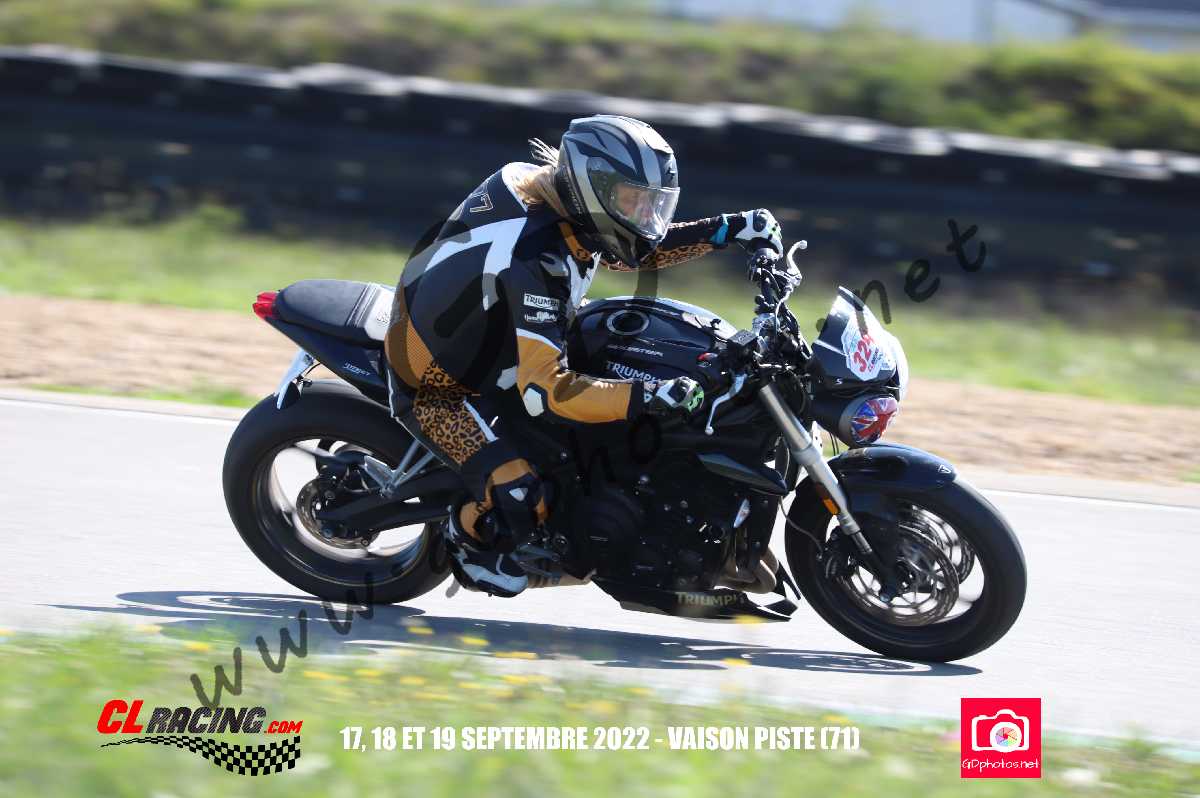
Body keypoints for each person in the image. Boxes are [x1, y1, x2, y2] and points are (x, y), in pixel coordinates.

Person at [384, 114, 783, 597]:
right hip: (440, 385)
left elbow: (634, 249)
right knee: (521, 493)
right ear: (593, 189)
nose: (646, 217)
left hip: (495, 333)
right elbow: (547, 391)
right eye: (634, 201)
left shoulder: (560, 201)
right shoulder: (534, 258)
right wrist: (647, 395)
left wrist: (729, 230)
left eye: (654, 204)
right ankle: (465, 540)